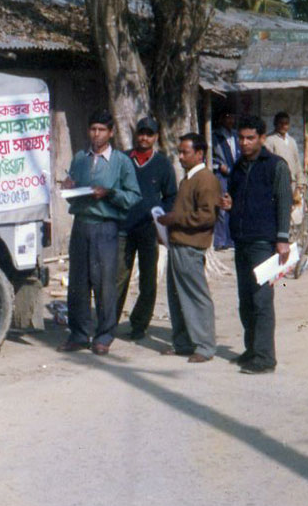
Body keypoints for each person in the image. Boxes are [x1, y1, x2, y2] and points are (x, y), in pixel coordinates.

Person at [59, 109, 141, 355]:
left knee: (104, 283)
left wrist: (109, 193)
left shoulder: (121, 162)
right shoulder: (80, 159)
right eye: (93, 129)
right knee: (78, 283)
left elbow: (134, 195)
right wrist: (68, 187)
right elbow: (72, 191)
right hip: (81, 225)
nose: (96, 134)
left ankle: (104, 335)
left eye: (102, 130)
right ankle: (79, 334)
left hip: (106, 227)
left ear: (111, 132)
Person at [220, 115, 292, 375]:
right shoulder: (238, 166)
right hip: (242, 241)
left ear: (262, 138)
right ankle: (251, 350)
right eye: (241, 138)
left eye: (250, 138)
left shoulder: (276, 166)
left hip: (264, 243)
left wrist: (282, 239)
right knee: (245, 300)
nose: (244, 143)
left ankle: (265, 358)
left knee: (261, 301)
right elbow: (235, 198)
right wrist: (229, 205)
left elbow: (284, 202)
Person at [156, 133, 220, 362]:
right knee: (177, 297)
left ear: (199, 154)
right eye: (179, 152)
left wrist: (175, 219)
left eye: (185, 152)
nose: (181, 157)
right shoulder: (188, 179)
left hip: (191, 246)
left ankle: (205, 346)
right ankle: (183, 342)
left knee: (195, 296)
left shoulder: (205, 179)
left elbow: (207, 216)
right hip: (178, 244)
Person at [116, 116, 177, 340]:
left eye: (149, 134)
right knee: (118, 278)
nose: (144, 138)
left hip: (149, 230)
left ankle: (139, 325)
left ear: (156, 137)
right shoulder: (122, 160)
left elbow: (171, 196)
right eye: (141, 133)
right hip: (124, 228)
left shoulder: (163, 164)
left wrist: (160, 216)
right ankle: (108, 323)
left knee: (148, 280)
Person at [265, 111, 306, 228]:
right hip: (277, 183)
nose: (284, 126)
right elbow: (267, 164)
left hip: (292, 183)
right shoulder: (270, 140)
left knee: (290, 213)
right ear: (275, 124)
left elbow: (297, 163)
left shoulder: (292, 141)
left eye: (286, 123)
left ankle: (287, 236)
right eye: (281, 123)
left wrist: (300, 183)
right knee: (278, 213)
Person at [212, 111, 239, 250]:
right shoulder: (215, 136)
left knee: (233, 204)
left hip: (235, 173)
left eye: (232, 117)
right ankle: (220, 240)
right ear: (222, 119)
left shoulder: (235, 135)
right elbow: (209, 157)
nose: (230, 120)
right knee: (222, 205)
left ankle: (231, 239)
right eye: (227, 117)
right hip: (221, 175)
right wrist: (218, 166)